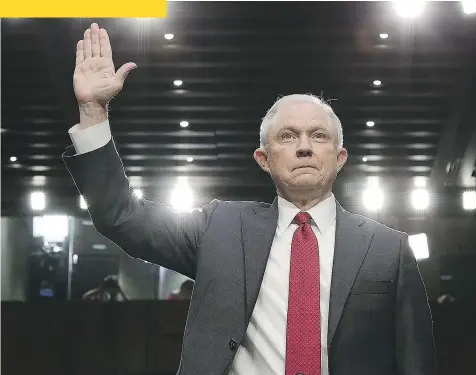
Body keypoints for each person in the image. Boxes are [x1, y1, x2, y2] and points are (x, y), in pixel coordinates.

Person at [63, 23, 436, 375]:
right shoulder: (219, 229)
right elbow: (120, 215)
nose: (304, 147)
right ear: (264, 159)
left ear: (340, 158)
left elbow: (417, 363)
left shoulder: (389, 249)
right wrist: (94, 113)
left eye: (319, 136)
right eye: (288, 137)